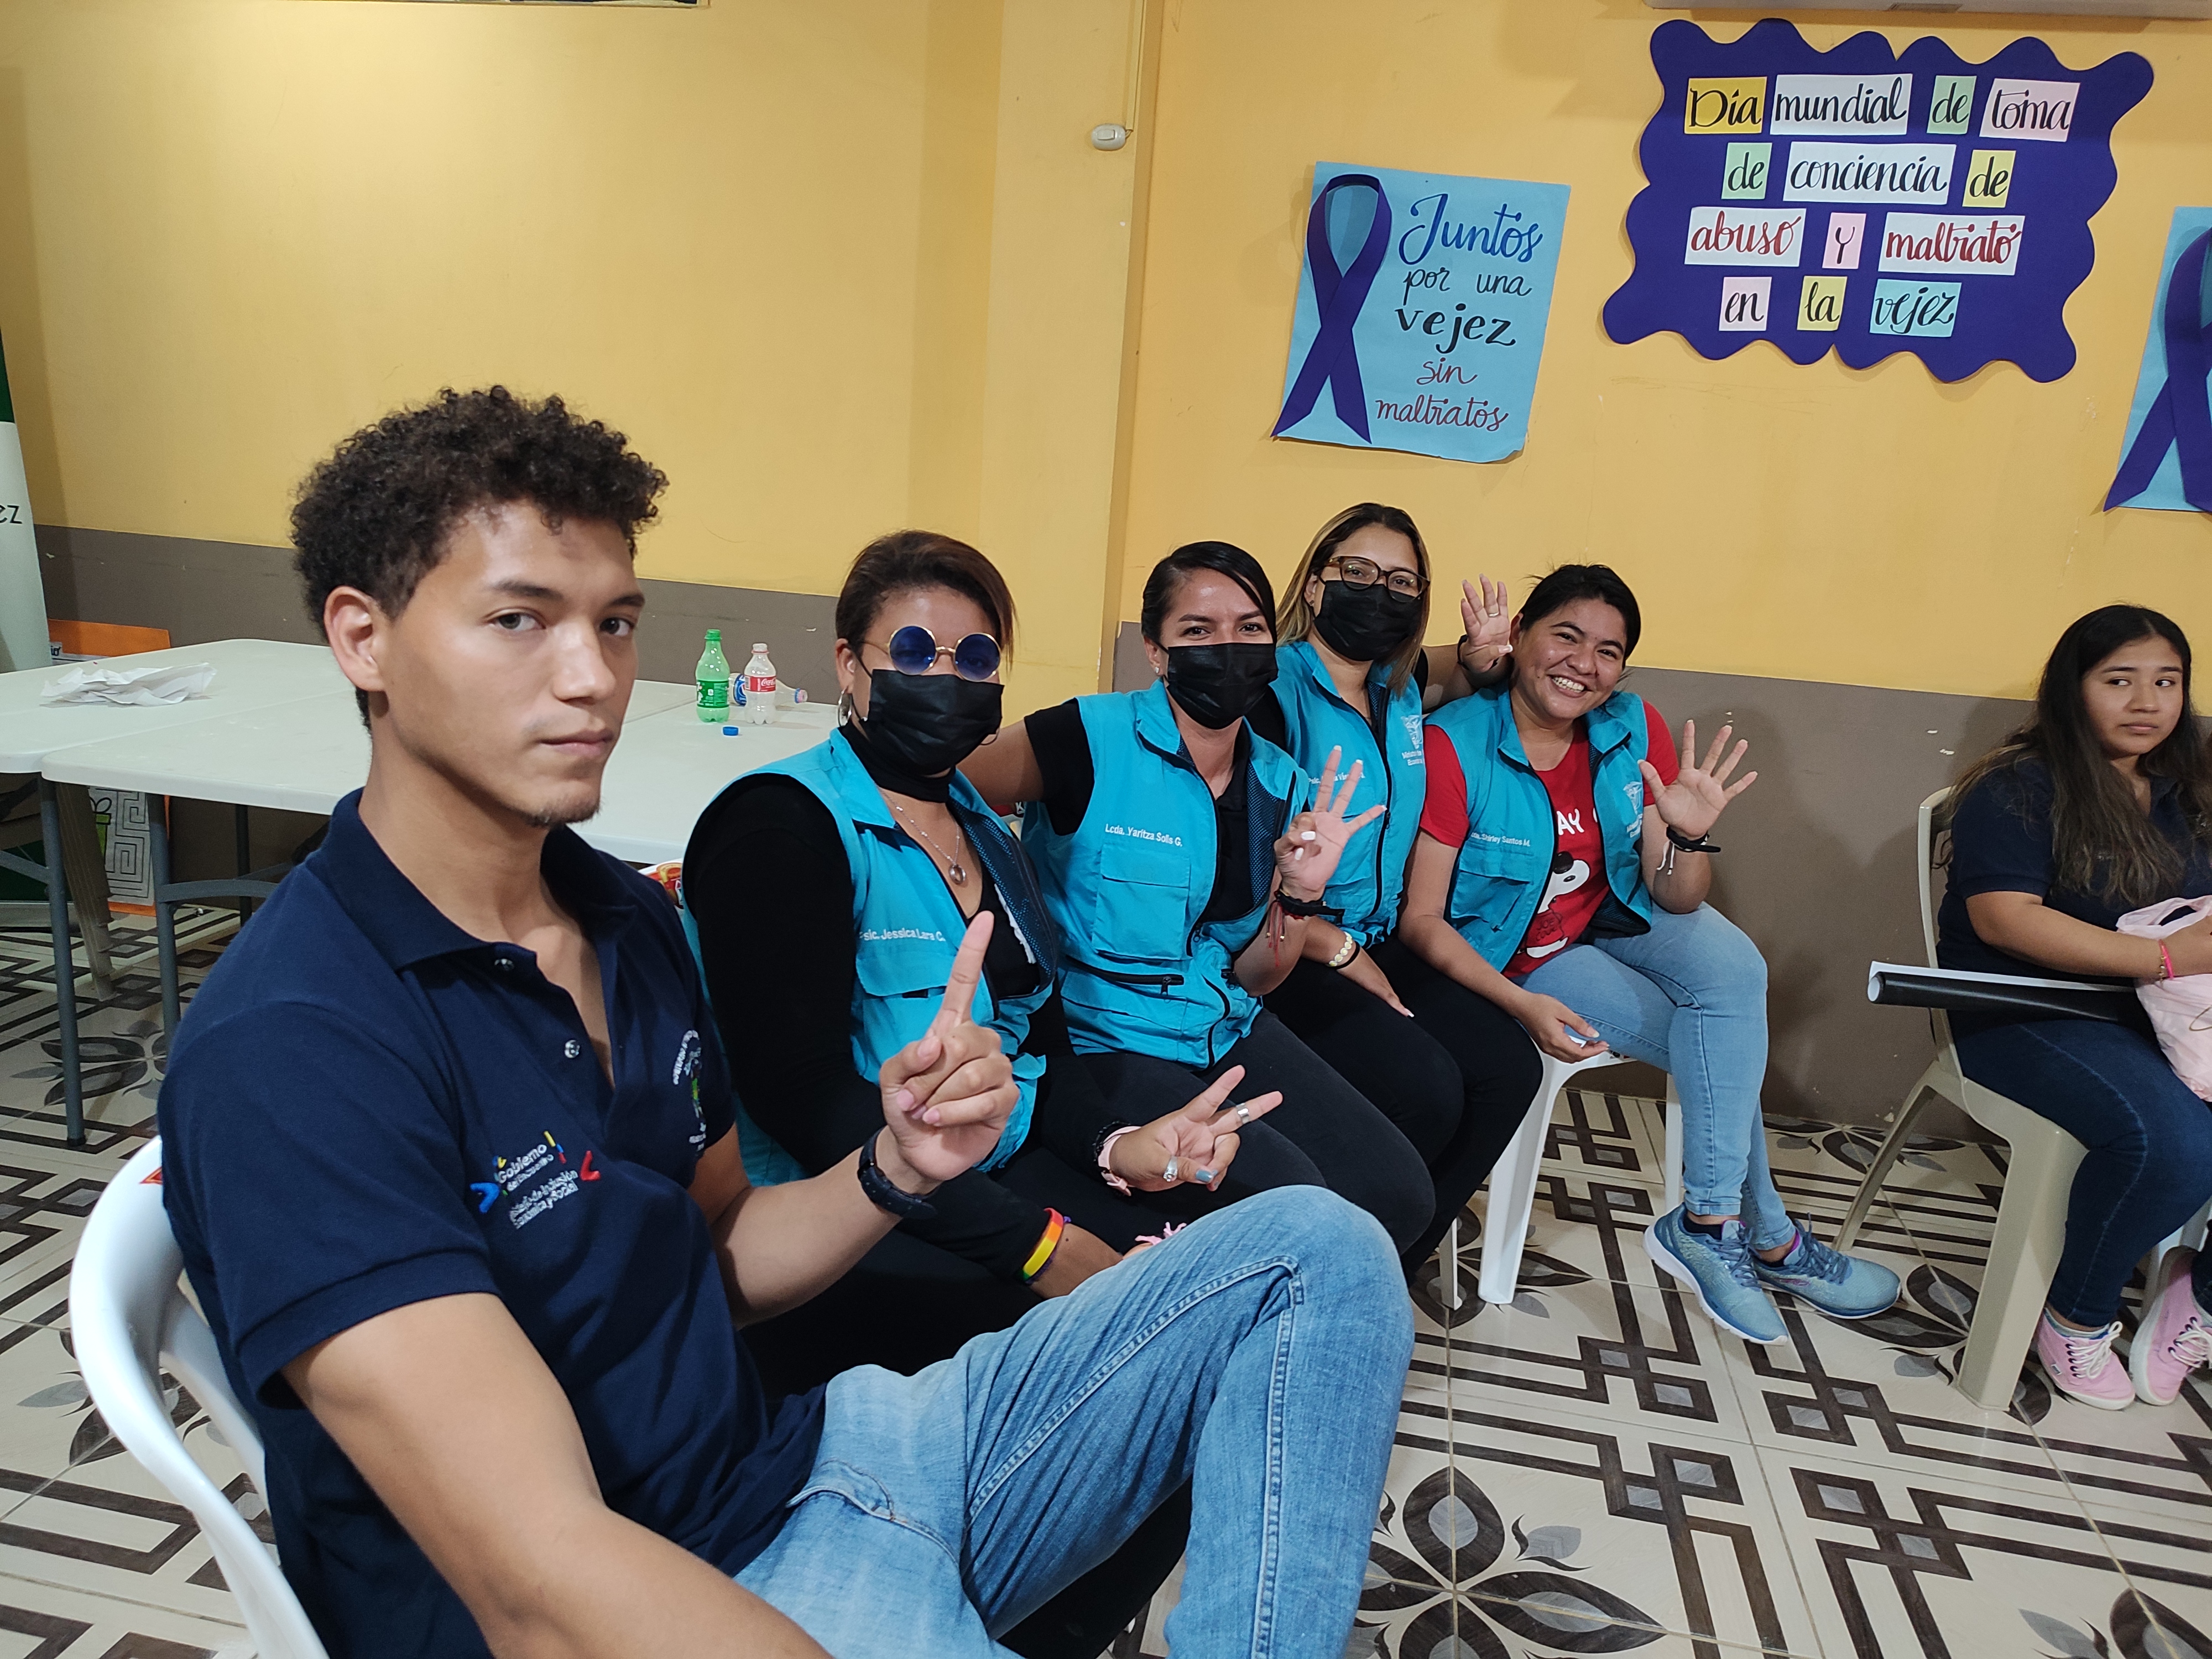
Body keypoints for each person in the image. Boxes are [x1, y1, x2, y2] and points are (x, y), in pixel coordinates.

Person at [155, 388, 1415, 1659]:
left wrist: (896, 1165)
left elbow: (717, 1250)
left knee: (1318, 1249)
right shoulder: (295, 1047)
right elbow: (538, 1585)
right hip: (668, 1588)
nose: (591, 678)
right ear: (364, 639)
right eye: (518, 620)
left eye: (614, 622)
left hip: (815, 1462)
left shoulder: (621, 921)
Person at [683, 530, 1276, 1655]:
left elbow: (1037, 1043)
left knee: (1215, 1294)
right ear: (850, 664)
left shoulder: (978, 825)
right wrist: (1043, 1247)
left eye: (977, 657)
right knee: (1146, 1367)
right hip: (844, 1218)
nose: (948, 679)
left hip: (986, 1176)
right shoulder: (778, 826)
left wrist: (1125, 1148)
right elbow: (809, 1104)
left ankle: (1049, 1607)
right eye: (914, 651)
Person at [1400, 562, 1899, 1343]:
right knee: (1720, 1052)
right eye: (1566, 636)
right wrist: (1519, 1004)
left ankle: (1711, 1223)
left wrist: (1689, 834)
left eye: (1609, 651)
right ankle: (1768, 1237)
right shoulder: (1454, 743)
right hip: (1528, 952)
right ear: (1520, 635)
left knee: (1738, 975)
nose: (1584, 664)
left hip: (1619, 908)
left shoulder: (1633, 726)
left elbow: (1678, 896)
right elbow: (1422, 921)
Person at [961, 541, 1437, 1258]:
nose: (1228, 647)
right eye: (1198, 630)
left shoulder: (1280, 782)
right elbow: (947, 789)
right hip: (1099, 1037)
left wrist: (1300, 897)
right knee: (1297, 1205)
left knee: (1398, 1194)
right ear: (1156, 651)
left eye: (1250, 628)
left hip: (1221, 1027)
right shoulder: (1086, 737)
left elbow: (1256, 976)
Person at [1248, 502, 1543, 1280]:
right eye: (1358, 572)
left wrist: (1486, 656)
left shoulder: (1400, 687)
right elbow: (1245, 863)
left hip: (1378, 934)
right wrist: (1335, 947)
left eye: (1402, 582)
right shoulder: (1273, 690)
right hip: (1290, 944)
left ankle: (1393, 1261)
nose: (1378, 592)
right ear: (1316, 585)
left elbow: (1467, 668)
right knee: (1427, 1088)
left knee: (1509, 1070)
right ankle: (1324, 1260)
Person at [1939, 604, 2212, 1410]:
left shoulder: (2188, 790)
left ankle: (2197, 1299)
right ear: (2072, 688)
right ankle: (2074, 1315)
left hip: (2166, 1016)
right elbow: (2005, 919)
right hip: (2029, 1017)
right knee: (2175, 1143)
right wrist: (2165, 959)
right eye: (2119, 680)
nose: (2147, 701)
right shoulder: (2016, 787)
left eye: (2167, 681)